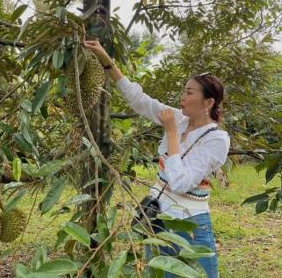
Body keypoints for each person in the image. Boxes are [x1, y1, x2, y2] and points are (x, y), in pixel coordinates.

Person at [84, 39, 229, 278]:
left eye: (189, 92)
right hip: (158, 218)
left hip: (190, 225)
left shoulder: (217, 139)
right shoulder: (178, 118)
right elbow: (139, 100)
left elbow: (180, 182)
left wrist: (171, 133)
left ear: (209, 102)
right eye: (183, 90)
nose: (182, 96)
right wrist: (105, 60)